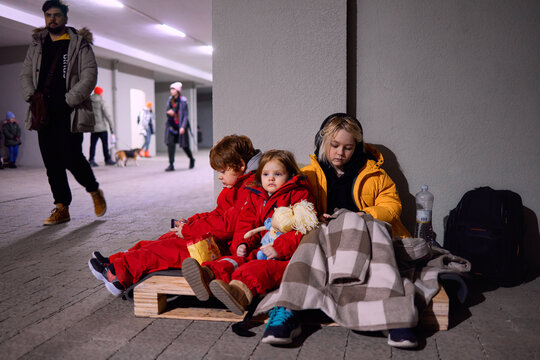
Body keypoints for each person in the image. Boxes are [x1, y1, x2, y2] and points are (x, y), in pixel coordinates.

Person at [259, 113, 418, 348]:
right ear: (322, 142)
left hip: (365, 228)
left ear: (357, 147)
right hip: (327, 233)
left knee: (378, 236)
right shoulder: (308, 175)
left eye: (348, 147)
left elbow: (392, 206)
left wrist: (366, 215)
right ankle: (288, 310)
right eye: (334, 145)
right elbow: (293, 204)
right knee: (309, 239)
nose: (339, 153)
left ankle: (396, 318)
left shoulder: (375, 173)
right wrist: (312, 215)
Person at [88, 135, 262, 296]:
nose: (219, 177)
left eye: (223, 171)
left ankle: (119, 274)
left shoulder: (250, 190)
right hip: (219, 240)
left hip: (222, 248)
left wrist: (189, 230)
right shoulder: (239, 187)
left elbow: (226, 225)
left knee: (169, 249)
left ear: (240, 165)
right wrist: (190, 222)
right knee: (166, 239)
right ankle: (115, 261)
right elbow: (218, 214)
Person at [181, 150, 316, 315]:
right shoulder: (256, 194)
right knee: (235, 259)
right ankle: (208, 274)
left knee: (257, 270)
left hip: (283, 255)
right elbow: (246, 222)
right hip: (258, 248)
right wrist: (242, 243)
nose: (271, 178)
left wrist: (279, 248)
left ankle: (238, 293)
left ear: (289, 175)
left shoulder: (299, 194)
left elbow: (301, 230)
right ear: (260, 176)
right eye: (266, 174)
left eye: (278, 174)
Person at [19, 0, 106, 226]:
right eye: (48, 15)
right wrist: (31, 96)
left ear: (65, 18)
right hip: (43, 111)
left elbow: (89, 77)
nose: (52, 19)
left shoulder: (80, 45)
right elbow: (26, 74)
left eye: (56, 15)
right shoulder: (37, 44)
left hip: (70, 110)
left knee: (71, 157)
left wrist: (68, 100)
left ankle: (94, 189)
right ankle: (61, 206)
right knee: (51, 161)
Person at [165, 81, 195, 171]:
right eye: (171, 89)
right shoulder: (170, 100)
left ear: (177, 90)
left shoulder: (183, 100)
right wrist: (168, 112)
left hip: (180, 126)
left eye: (173, 89)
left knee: (185, 146)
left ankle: (191, 159)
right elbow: (167, 111)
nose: (171, 91)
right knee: (170, 145)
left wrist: (183, 127)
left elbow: (186, 115)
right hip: (171, 126)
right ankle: (171, 164)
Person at [88, 86, 116, 167]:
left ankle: (91, 160)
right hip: (102, 128)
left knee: (92, 145)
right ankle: (107, 160)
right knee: (105, 145)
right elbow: (108, 115)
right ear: (100, 93)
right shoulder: (101, 101)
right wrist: (111, 126)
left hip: (93, 127)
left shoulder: (89, 101)